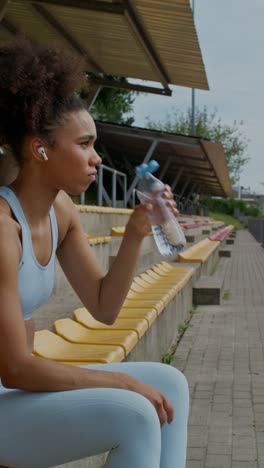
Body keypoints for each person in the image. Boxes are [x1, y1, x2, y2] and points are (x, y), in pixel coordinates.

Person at [0, 37, 189, 468]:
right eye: (84, 144)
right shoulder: (2, 230)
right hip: (8, 392)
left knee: (169, 383)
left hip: (15, 392)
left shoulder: (60, 211)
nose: (97, 159)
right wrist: (119, 382)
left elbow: (104, 308)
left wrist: (137, 233)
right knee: (136, 413)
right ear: (40, 149)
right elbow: (15, 367)